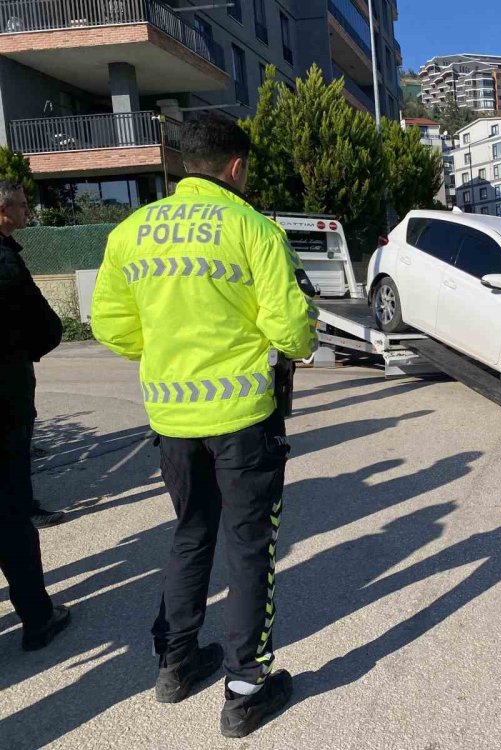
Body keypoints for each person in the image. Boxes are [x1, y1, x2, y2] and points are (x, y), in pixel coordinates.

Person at [92, 115, 317, 739]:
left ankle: (175, 662)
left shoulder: (130, 232)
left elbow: (110, 325)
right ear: (236, 167)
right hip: (244, 418)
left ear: (179, 163)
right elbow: (292, 332)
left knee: (190, 533)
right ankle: (246, 689)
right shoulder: (254, 229)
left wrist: (167, 353)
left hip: (171, 415)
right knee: (249, 548)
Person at [0, 180, 73, 651]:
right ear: (2, 210)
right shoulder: (6, 263)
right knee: (9, 514)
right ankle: (38, 618)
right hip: (3, 405)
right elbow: (46, 326)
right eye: (23, 204)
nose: (29, 210)